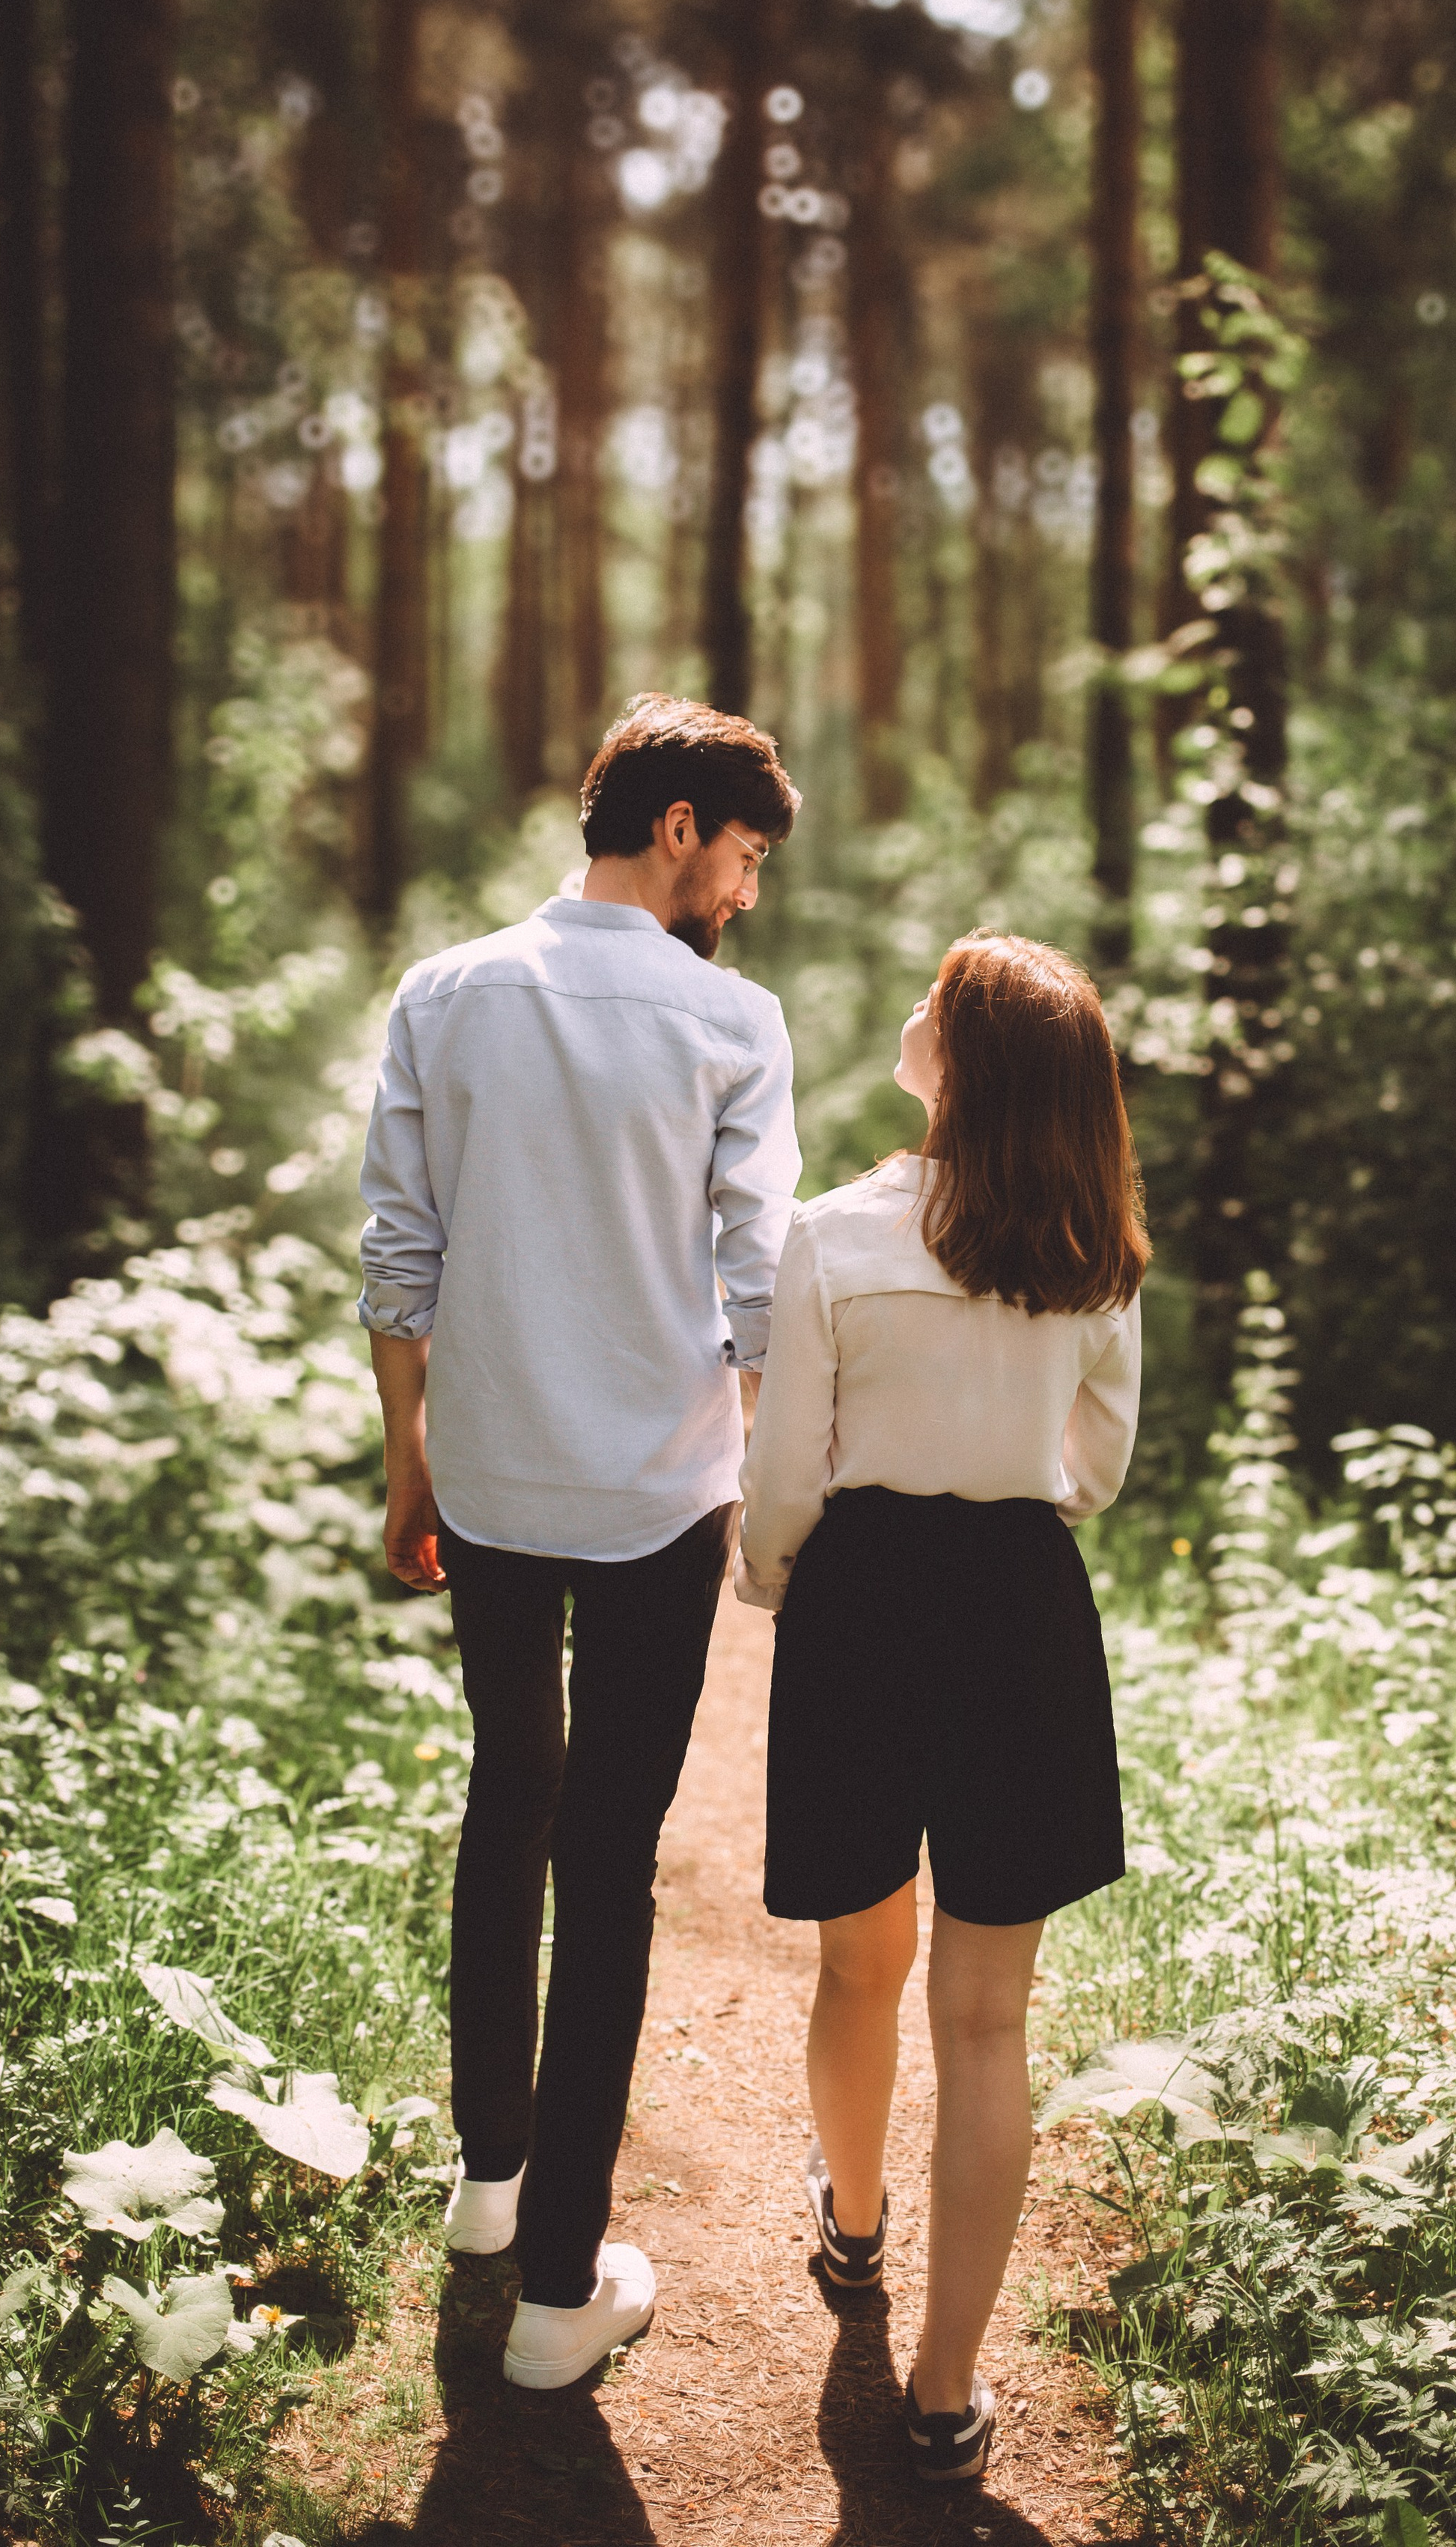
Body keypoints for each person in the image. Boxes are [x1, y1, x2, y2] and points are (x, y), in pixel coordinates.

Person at [357, 696, 802, 2392]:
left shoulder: (445, 993)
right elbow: (755, 1281)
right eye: (743, 854)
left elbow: (401, 1253)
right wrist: (769, 1487)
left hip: (485, 1479)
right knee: (604, 1859)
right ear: (679, 824)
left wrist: (408, 1463)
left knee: (503, 1799)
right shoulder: (728, 1025)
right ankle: (558, 2292)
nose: (741, 894)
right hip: (651, 1496)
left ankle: (489, 2185)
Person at [738, 931, 1147, 2486]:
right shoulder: (1092, 1247)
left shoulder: (834, 1236)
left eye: (934, 1002)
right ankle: (943, 2388)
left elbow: (785, 1474)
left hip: (864, 1605)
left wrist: (772, 1582)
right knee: (985, 2021)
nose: (910, 1013)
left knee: (859, 1961)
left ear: (959, 1063)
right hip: (1019, 1610)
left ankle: (852, 2231)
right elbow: (1094, 1476)